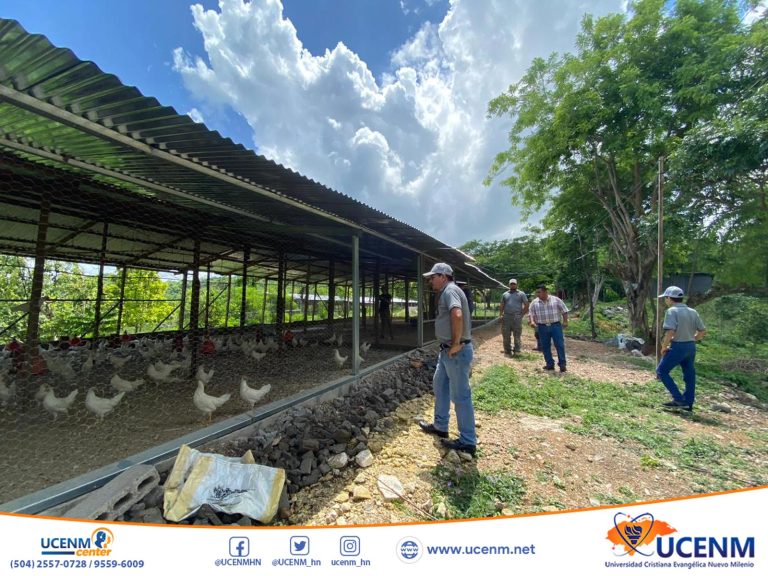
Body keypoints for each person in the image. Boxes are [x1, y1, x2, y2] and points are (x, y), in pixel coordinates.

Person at [417, 263, 477, 456]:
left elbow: (457, 314)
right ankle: (441, 426)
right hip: (446, 353)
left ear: (443, 276)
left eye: (433, 276)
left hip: (455, 352)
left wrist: (456, 343)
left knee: (460, 395)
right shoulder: (449, 290)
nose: (430, 280)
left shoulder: (450, 290)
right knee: (440, 385)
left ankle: (468, 441)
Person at [656, 286, 706, 412]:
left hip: (678, 346)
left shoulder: (672, 311)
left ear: (669, 298)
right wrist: (692, 339)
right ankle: (688, 403)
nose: (665, 301)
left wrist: (664, 347)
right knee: (689, 375)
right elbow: (702, 331)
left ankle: (678, 399)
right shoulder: (693, 311)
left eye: (665, 298)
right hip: (691, 346)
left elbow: (670, 332)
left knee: (662, 371)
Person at [528, 284, 569, 372]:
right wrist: (532, 321)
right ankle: (549, 364)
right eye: (537, 292)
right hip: (542, 327)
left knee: (559, 345)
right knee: (545, 346)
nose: (537, 294)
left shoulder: (556, 300)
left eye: (539, 292)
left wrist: (565, 321)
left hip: (555, 326)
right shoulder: (534, 302)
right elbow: (531, 313)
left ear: (545, 291)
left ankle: (562, 364)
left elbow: (564, 311)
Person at [499, 279, 528, 355]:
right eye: (511, 284)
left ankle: (517, 350)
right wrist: (501, 314)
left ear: (516, 285)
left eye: (514, 284)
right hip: (506, 317)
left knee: (517, 334)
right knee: (506, 335)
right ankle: (507, 350)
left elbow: (526, 305)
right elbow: (502, 305)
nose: (513, 285)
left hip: (516, 317)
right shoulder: (505, 294)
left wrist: (521, 315)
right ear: (509, 285)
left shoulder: (521, 294)